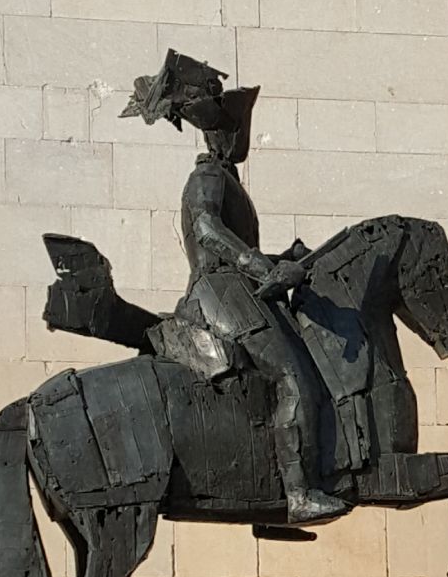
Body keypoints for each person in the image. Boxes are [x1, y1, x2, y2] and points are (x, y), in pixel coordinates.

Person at [122, 49, 347, 523]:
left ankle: (270, 503)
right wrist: (263, 269)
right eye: (233, 131)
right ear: (218, 132)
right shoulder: (206, 177)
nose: (238, 139)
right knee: (294, 376)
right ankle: (301, 493)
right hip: (221, 292)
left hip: (235, 286)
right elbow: (206, 230)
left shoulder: (227, 179)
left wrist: (286, 260)